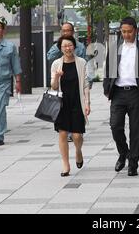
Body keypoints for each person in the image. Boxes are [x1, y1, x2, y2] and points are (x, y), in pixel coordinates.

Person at [103, 17, 139, 176]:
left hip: (136, 94)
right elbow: (108, 70)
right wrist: (106, 88)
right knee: (115, 126)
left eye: (129, 31)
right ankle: (124, 153)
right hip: (118, 93)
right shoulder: (115, 48)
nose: (126, 34)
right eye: (123, 32)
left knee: (136, 131)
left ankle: (133, 163)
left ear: (135, 30)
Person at [50, 35, 90, 177]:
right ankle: (65, 165)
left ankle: (78, 151)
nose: (67, 48)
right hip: (62, 104)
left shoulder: (81, 62)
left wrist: (87, 103)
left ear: (74, 46)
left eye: (70, 45)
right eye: (64, 46)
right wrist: (57, 76)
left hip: (77, 102)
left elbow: (86, 85)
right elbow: (53, 87)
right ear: (60, 48)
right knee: (62, 133)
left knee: (77, 135)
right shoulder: (56, 64)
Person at [47, 22, 89, 142]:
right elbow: (49, 57)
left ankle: (75, 133)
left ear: (73, 32)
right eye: (63, 31)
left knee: (76, 113)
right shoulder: (58, 46)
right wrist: (60, 46)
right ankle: (68, 131)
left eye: (68, 31)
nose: (66, 33)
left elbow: (83, 63)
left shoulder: (79, 46)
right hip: (61, 79)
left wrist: (87, 98)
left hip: (75, 81)